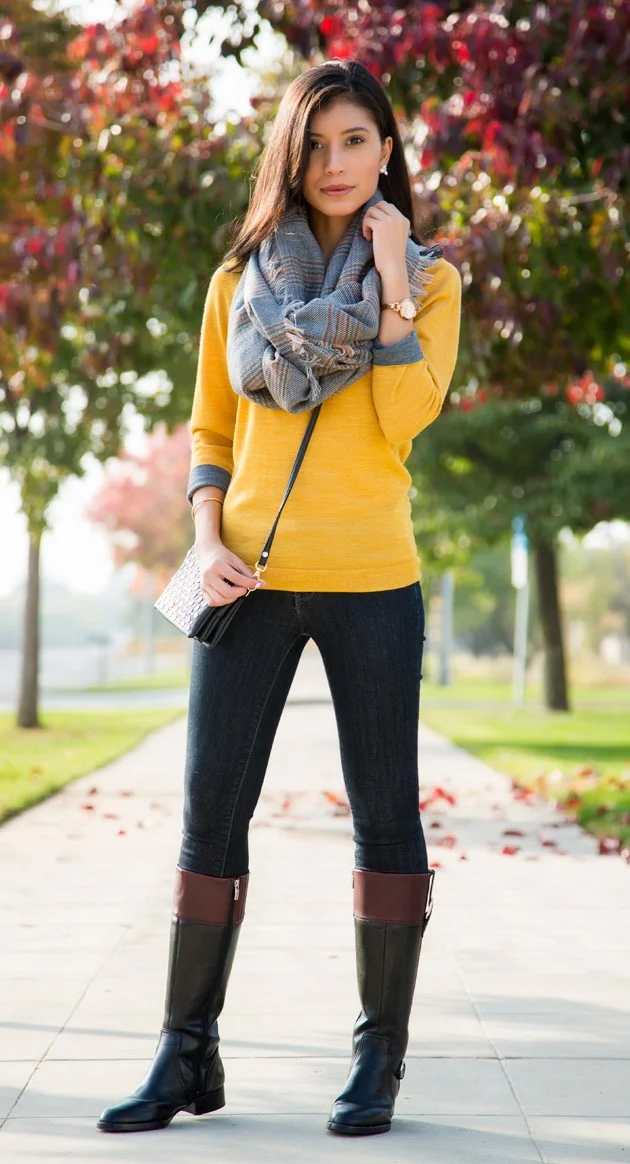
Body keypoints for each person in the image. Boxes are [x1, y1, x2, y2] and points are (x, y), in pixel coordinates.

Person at [97, 57, 461, 1139]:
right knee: (212, 813)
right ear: (290, 158)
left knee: (387, 819)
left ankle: (378, 1060)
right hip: (246, 579)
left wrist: (392, 274)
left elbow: (405, 414)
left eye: (356, 141)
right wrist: (204, 540)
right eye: (316, 144)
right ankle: (184, 1053)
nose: (335, 163)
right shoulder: (237, 285)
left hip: (371, 579)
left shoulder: (432, 283)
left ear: (387, 151)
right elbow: (213, 432)